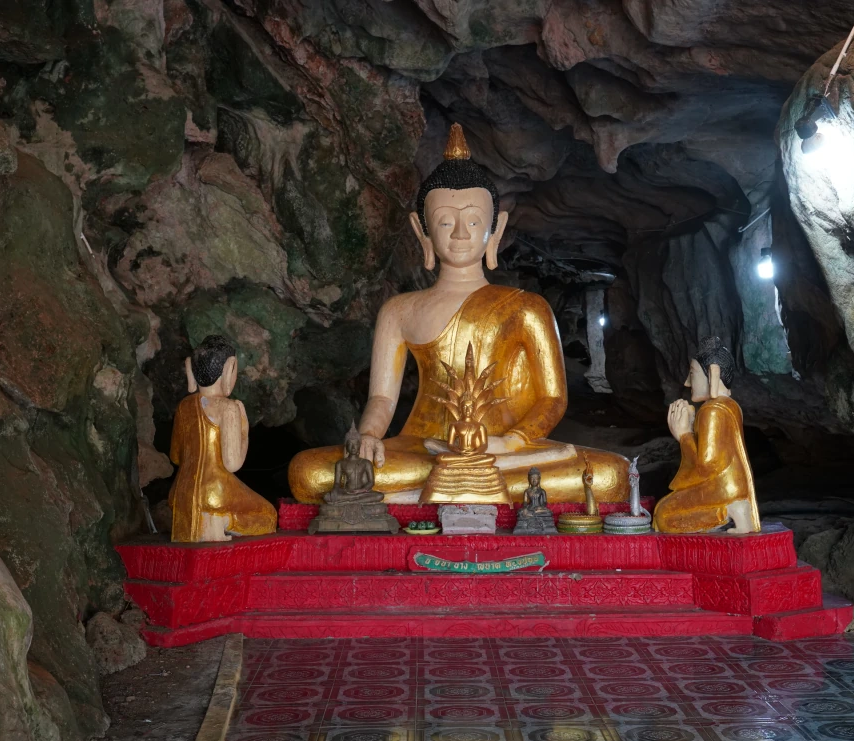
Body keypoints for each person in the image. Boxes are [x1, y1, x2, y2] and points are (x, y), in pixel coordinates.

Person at [288, 124, 628, 504]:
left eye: (473, 221)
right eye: (447, 221)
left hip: (507, 455)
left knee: (608, 473)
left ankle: (423, 496)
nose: (461, 233)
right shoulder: (400, 311)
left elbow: (552, 399)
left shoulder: (526, 307)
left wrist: (510, 441)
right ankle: (452, 490)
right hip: (422, 449)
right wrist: (368, 438)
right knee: (310, 472)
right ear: (423, 232)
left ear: (495, 229)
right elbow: (382, 400)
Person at [169, 335, 276, 541]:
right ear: (230, 368)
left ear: (190, 369)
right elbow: (232, 463)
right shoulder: (227, 408)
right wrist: (243, 430)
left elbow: (176, 457)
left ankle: (204, 520)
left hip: (181, 495)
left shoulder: (183, 407)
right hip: (215, 492)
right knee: (268, 514)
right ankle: (223, 521)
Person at [652, 337, 760, 534]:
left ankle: (726, 511)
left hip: (720, 488)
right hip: (730, 484)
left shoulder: (711, 411)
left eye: (692, 373)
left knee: (663, 515)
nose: (687, 382)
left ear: (712, 374)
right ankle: (732, 510)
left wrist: (683, 434)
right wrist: (692, 427)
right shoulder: (730, 406)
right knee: (663, 507)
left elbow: (706, 466)